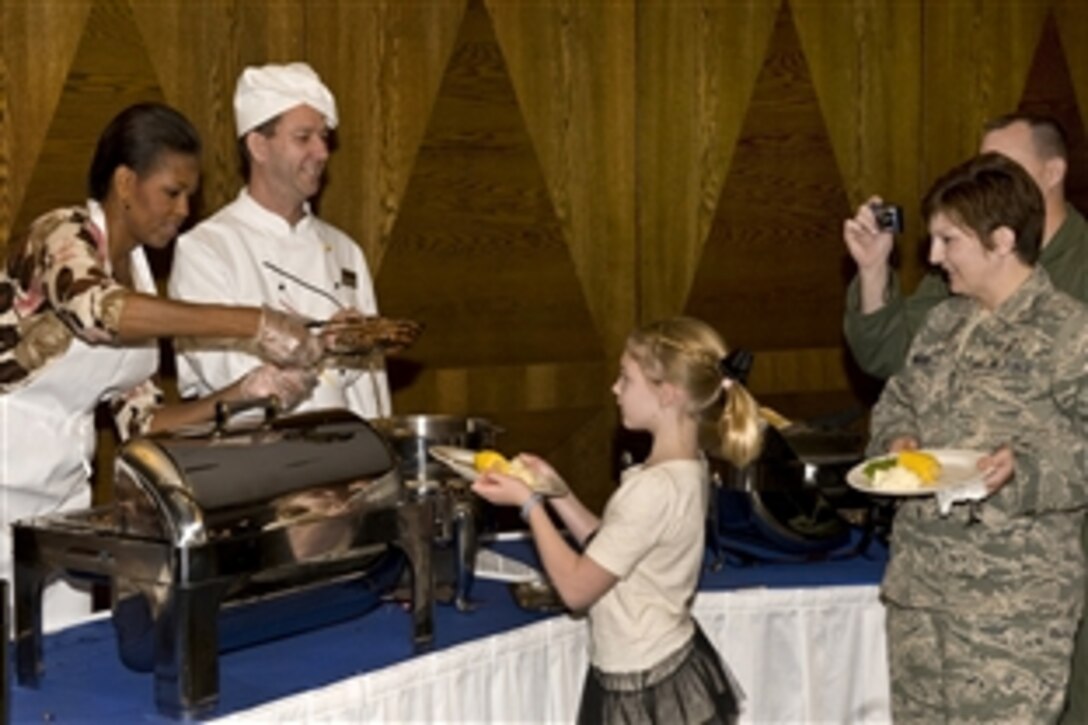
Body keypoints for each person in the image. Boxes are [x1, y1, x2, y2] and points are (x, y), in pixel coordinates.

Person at [0, 102, 322, 631]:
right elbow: (101, 312)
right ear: (125, 183)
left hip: (59, 497)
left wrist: (248, 389)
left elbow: (144, 424)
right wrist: (253, 322)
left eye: (190, 195)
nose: (184, 209)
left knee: (64, 660)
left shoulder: (146, 279)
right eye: (172, 192)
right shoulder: (62, 233)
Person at [844, 113, 1088, 724]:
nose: (931, 255)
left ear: (1002, 241)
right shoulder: (944, 322)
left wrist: (1027, 471)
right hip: (922, 593)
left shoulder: (1069, 332)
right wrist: (897, 439)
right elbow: (895, 400)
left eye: (948, 241)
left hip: (1010, 612)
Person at [473, 316, 754, 724]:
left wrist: (531, 506)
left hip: (644, 682)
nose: (615, 388)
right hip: (666, 658)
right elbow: (615, 547)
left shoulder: (652, 490)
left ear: (667, 394)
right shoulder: (688, 465)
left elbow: (575, 589)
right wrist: (559, 493)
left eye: (626, 378)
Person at [169, 62, 406, 419]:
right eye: (303, 137)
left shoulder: (345, 250)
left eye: (323, 137)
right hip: (254, 463)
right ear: (259, 146)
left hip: (347, 461)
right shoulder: (206, 249)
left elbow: (370, 390)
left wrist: (377, 460)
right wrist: (328, 345)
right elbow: (239, 385)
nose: (322, 152)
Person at [844, 112, 1088, 379]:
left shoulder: (1079, 267)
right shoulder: (967, 260)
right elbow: (890, 356)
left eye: (1003, 169)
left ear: (1052, 172)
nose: (985, 182)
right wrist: (873, 269)